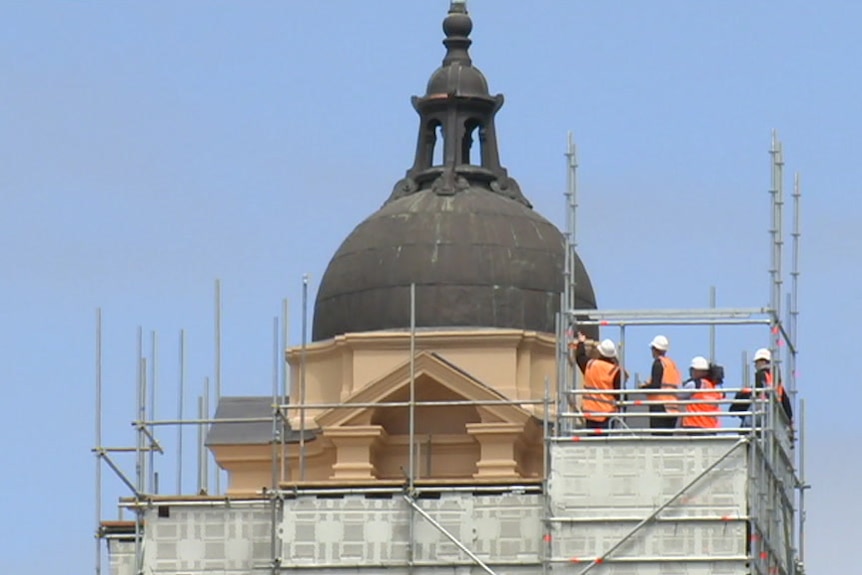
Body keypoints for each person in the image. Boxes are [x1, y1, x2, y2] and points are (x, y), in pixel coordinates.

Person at [730, 348, 793, 429]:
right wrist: (789, 422)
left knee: (745, 427)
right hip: (774, 417)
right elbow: (786, 404)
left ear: (763, 361)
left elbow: (757, 391)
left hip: (762, 411)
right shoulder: (777, 382)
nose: (755, 365)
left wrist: (741, 395)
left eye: (756, 363)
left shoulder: (761, 374)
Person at [572, 332, 623, 430]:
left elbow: (579, 357)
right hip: (607, 416)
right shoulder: (615, 371)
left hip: (591, 414)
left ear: (600, 352)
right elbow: (620, 395)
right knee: (605, 443)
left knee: (592, 442)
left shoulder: (590, 365)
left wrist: (581, 342)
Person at [638, 335, 682, 432]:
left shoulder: (658, 363)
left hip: (660, 406)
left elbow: (656, 386)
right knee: (667, 441)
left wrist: (643, 388)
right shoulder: (671, 364)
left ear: (654, 349)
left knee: (658, 439)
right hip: (673, 407)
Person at [678, 356, 723, 432]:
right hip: (711, 427)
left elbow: (679, 396)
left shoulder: (694, 384)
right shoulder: (713, 387)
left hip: (694, 425)